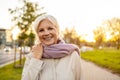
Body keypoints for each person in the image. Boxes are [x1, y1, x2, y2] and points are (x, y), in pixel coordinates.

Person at [21, 14, 82, 80]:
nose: (46, 33)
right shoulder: (32, 57)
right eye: (41, 30)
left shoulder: (73, 55)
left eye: (50, 28)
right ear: (38, 34)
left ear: (57, 30)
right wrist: (36, 60)